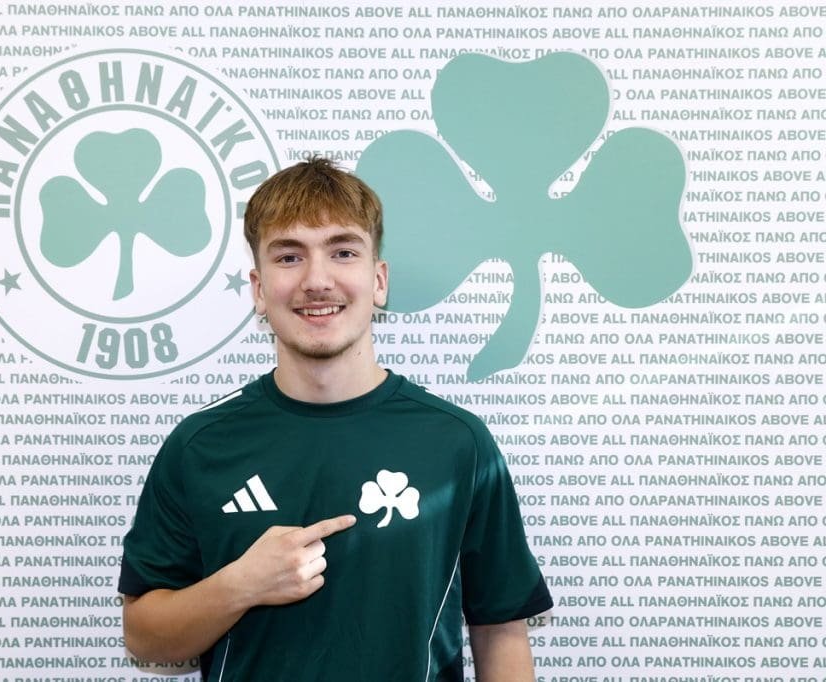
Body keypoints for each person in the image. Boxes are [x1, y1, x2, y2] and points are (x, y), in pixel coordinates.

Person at [119, 157, 552, 681]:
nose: (317, 280)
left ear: (379, 280)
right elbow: (145, 638)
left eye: (343, 252)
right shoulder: (200, 446)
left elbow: (500, 630)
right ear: (259, 289)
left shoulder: (458, 443)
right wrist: (242, 585)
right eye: (289, 256)